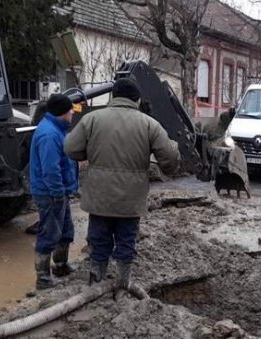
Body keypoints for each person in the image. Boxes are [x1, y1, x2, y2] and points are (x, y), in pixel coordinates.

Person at [64, 78, 180, 295]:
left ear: (114, 96)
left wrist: (89, 155)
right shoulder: (148, 123)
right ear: (136, 99)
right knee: (126, 240)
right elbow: (170, 156)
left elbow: (71, 148)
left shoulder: (92, 119)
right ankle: (122, 285)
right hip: (131, 199)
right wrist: (169, 166)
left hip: (99, 197)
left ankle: (95, 282)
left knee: (98, 239)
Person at [29, 93, 78, 290]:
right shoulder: (49, 135)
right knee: (49, 233)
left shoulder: (57, 130)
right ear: (62, 113)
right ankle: (42, 278)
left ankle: (61, 265)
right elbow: (51, 170)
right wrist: (58, 193)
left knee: (66, 230)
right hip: (50, 193)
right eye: (70, 110)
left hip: (59, 191)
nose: (72, 113)